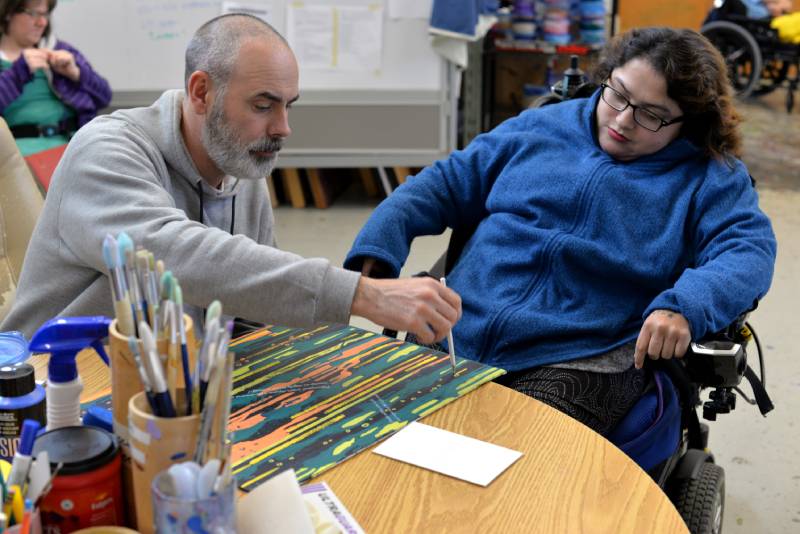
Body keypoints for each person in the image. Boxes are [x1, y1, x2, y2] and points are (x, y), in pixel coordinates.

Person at [345, 27, 777, 437]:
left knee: (524, 461)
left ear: (690, 121)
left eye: (652, 115)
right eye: (619, 95)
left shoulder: (710, 176)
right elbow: (441, 184)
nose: (623, 121)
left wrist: (685, 306)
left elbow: (748, 250)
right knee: (379, 431)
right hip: (459, 325)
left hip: (583, 355)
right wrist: (381, 245)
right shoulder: (539, 128)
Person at [1, 14, 461, 343]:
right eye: (263, 105)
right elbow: (175, 256)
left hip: (174, 389)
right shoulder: (107, 150)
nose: (283, 128)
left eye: (288, 104)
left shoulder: (242, 170)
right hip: (50, 399)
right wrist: (361, 295)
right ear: (202, 92)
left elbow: (251, 305)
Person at [0, 0, 111, 156]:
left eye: (45, 14)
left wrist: (77, 74)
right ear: (8, 13)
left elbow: (104, 97)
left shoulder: (59, 50)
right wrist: (18, 73)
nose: (42, 22)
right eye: (33, 14)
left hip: (74, 146)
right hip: (18, 153)